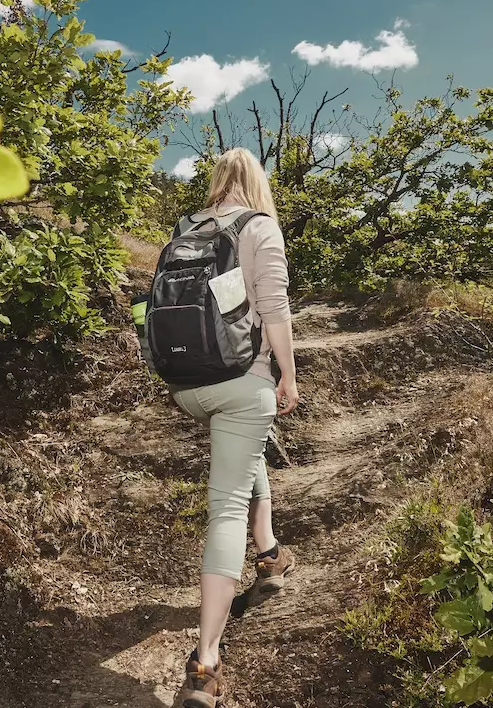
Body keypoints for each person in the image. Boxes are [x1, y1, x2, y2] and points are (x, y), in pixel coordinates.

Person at [171, 148, 300, 708]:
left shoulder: (186, 227)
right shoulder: (259, 226)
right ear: (256, 183)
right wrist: (287, 376)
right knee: (225, 506)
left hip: (187, 386)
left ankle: (269, 553)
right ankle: (205, 664)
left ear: (218, 180)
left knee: (244, 456)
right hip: (242, 382)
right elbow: (274, 309)